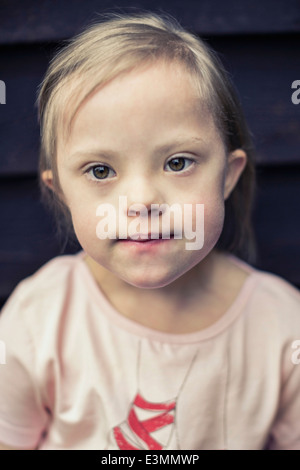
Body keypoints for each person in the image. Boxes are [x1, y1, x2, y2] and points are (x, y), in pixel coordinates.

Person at [0, 12, 300, 451]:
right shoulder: (37, 319)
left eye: (178, 162)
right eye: (101, 170)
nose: (140, 201)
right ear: (61, 191)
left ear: (229, 176)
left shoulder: (284, 327)